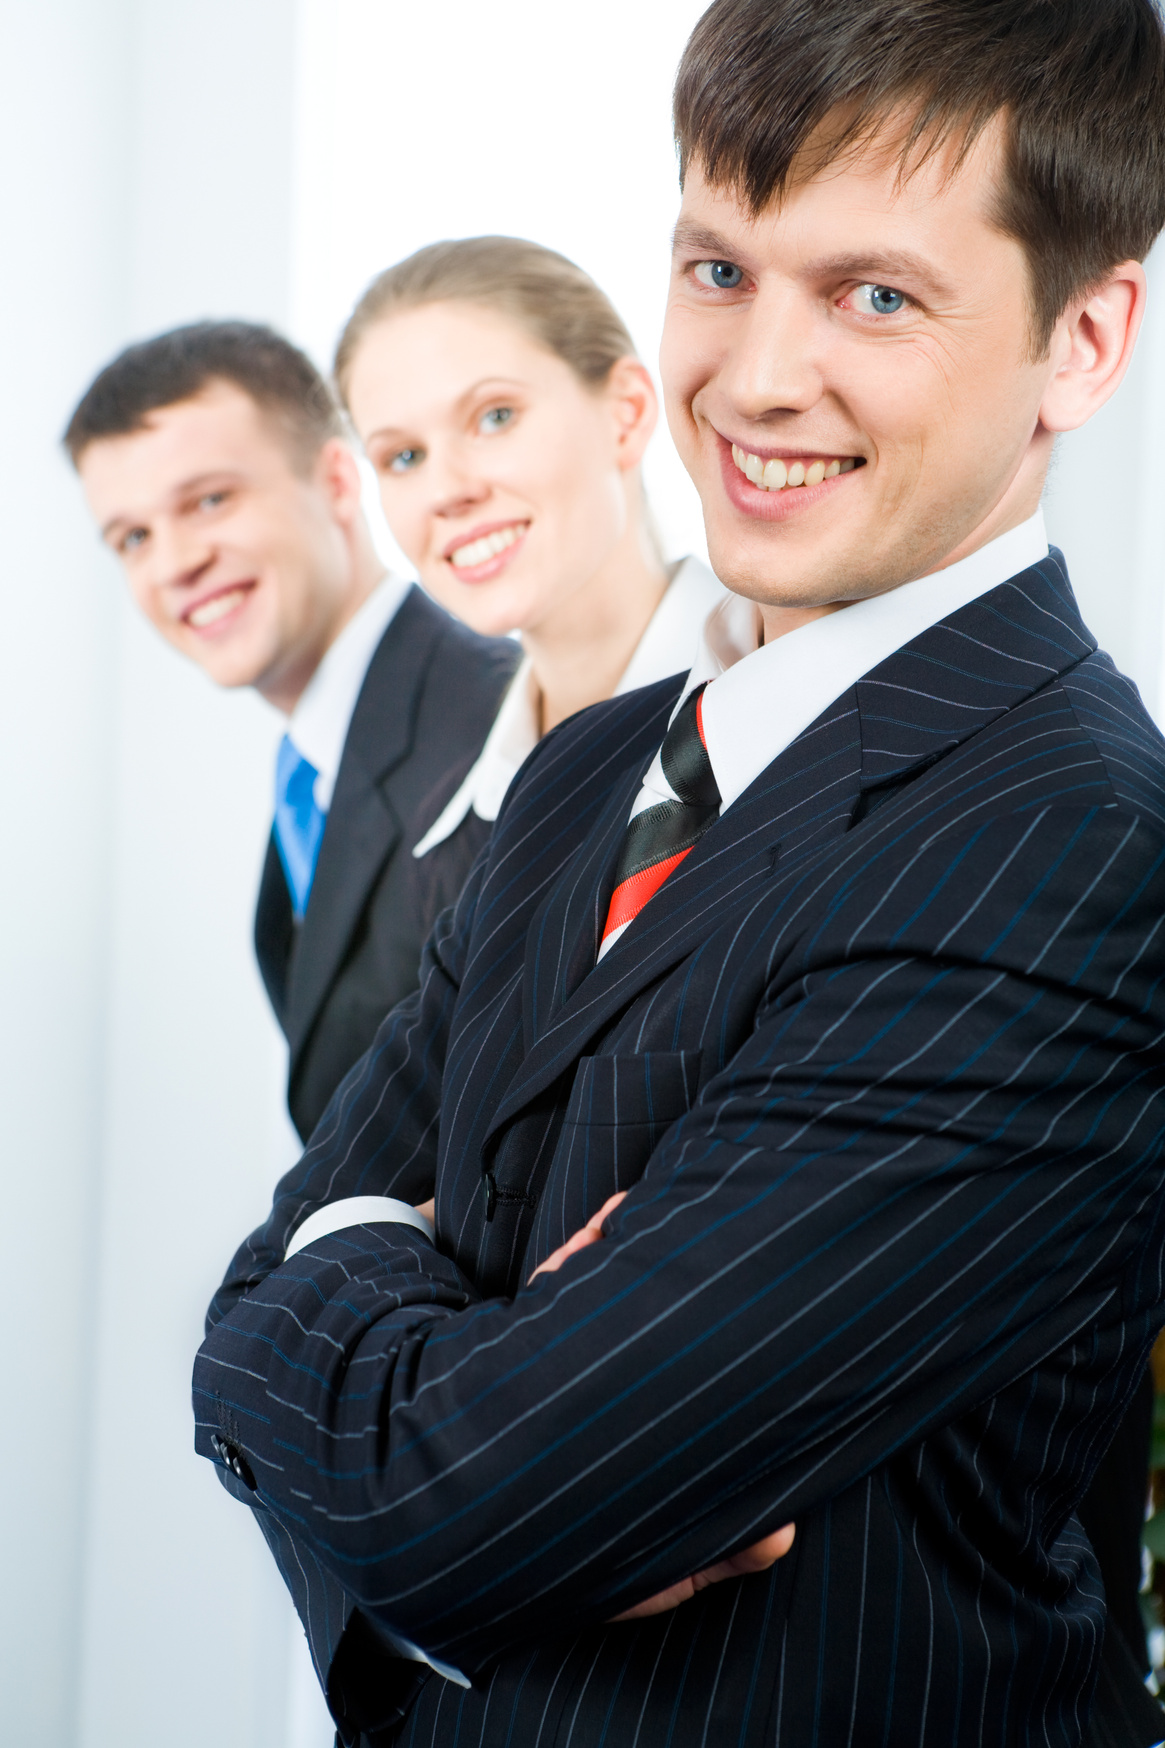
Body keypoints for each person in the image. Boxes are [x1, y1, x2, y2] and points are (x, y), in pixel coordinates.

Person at [192, 1, 1165, 1743]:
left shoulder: (1065, 835)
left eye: (874, 294)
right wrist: (415, 1354)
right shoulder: (581, 773)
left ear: (1084, 340)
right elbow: (244, 1330)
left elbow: (460, 1496)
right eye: (720, 269)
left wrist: (389, 1328)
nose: (761, 376)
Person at [65, 323, 518, 1140]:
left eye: (209, 500)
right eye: (132, 537)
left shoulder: (497, 729)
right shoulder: (314, 762)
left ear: (338, 481)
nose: (172, 564)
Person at [332, 235, 727, 918]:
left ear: (625, 412)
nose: (446, 490)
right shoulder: (448, 814)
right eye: (403, 458)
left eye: (495, 417)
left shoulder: (789, 713)